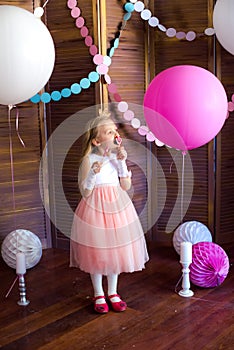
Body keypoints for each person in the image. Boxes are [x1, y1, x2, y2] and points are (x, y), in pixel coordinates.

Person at [70, 111, 149, 313]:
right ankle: (98, 293)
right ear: (96, 141)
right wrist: (93, 175)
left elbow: (125, 185)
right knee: (96, 252)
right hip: (95, 208)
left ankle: (113, 292)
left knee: (115, 250)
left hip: (117, 207)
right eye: (108, 131)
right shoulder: (88, 160)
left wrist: (122, 163)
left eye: (115, 130)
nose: (114, 134)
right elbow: (85, 193)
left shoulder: (117, 157)